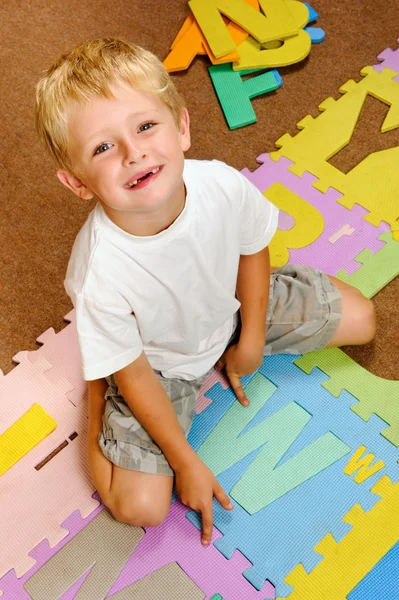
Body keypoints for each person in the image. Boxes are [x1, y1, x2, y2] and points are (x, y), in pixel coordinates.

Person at [35, 37, 376, 546]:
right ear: (78, 182)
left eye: (146, 126)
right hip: (157, 370)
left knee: (363, 318)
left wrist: (253, 338)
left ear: (183, 127)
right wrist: (186, 461)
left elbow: (253, 249)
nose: (134, 153)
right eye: (103, 148)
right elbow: (139, 376)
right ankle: (96, 387)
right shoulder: (98, 272)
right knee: (141, 508)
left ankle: (247, 315)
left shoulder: (220, 183)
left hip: (232, 308)